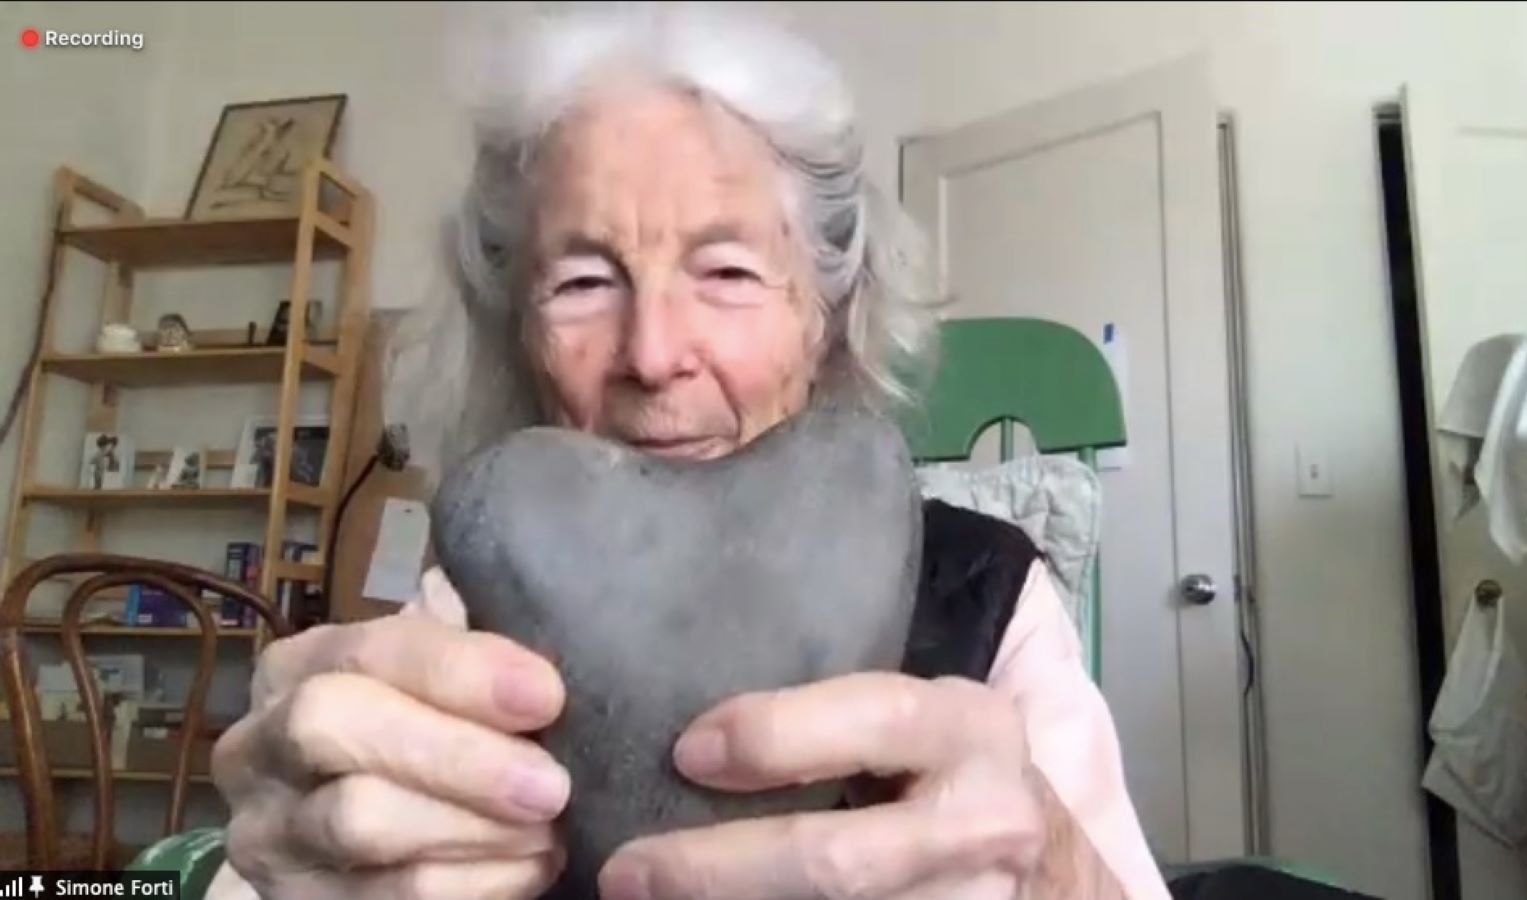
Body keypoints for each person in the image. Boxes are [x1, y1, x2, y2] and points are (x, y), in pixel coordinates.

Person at [190, 5, 1171, 898]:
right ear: (515, 339)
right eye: (581, 283)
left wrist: (1057, 872)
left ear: (826, 318)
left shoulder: (987, 602)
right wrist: (295, 861)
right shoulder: (458, 629)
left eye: (730, 270)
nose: (654, 356)